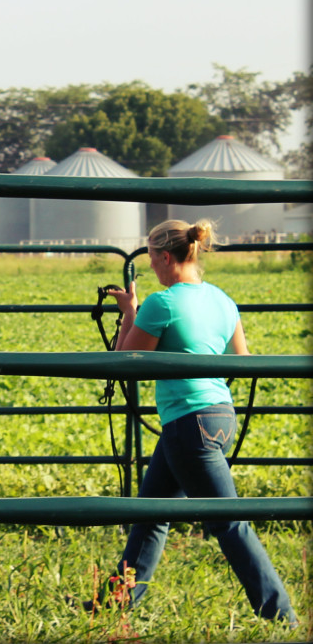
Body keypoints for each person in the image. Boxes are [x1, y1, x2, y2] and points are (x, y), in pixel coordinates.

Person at [89, 218, 297, 624]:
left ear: (166, 257)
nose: (150, 267)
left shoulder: (161, 303)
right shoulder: (222, 299)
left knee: (230, 523)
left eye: (151, 259)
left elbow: (126, 363)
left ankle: (281, 617)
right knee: (152, 515)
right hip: (219, 415)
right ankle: (113, 607)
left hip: (189, 425)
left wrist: (129, 311)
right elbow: (240, 361)